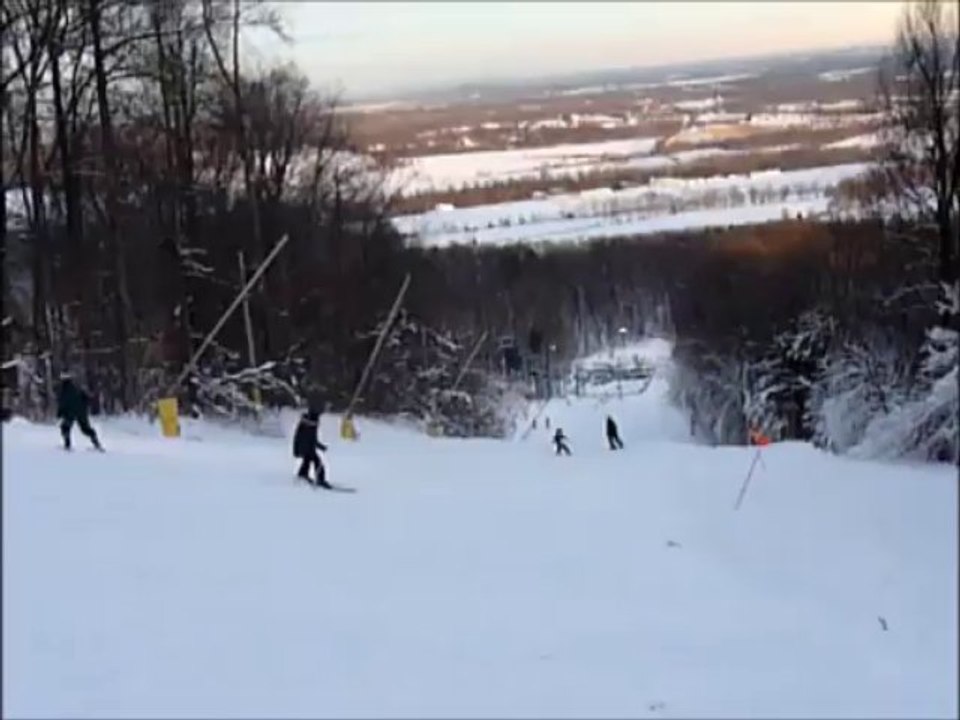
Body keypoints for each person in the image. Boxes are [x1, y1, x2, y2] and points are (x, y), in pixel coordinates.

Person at [56, 373, 103, 451]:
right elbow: (86, 398)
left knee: (65, 427)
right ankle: (96, 443)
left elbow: (63, 402)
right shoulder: (77, 388)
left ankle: (67, 445)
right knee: (86, 428)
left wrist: (59, 413)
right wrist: (85, 406)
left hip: (70, 412)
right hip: (81, 411)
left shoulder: (64, 390)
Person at [292, 406, 331, 488]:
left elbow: (313, 439)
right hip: (306, 448)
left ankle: (302, 474)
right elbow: (309, 439)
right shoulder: (309, 426)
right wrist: (318, 447)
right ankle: (320, 479)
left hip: (306, 447)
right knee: (317, 461)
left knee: (307, 461)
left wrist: (321, 446)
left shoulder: (308, 425)